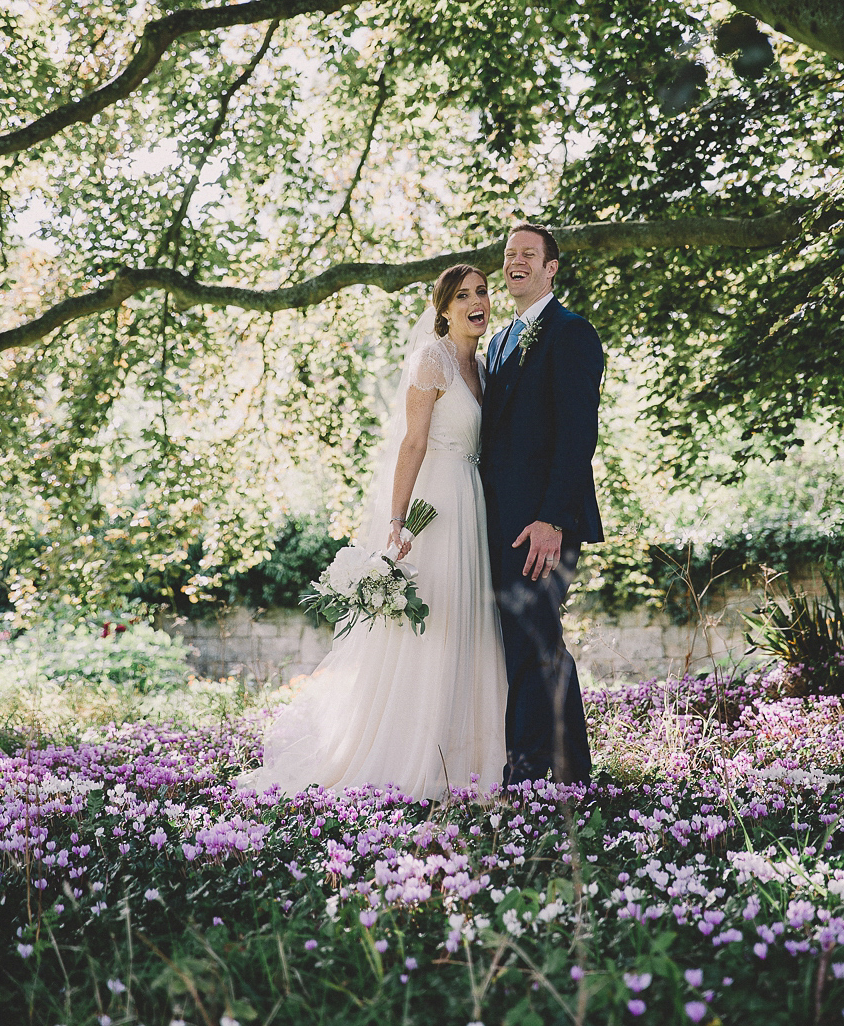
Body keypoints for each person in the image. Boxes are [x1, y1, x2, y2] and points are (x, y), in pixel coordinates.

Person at [239, 264, 506, 800]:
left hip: (473, 499)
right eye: (462, 296)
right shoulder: (431, 359)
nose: (476, 303)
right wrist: (397, 521)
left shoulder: (483, 361)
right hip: (436, 502)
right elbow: (412, 444)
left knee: (467, 622)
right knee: (431, 625)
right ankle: (410, 750)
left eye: (481, 293)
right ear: (443, 308)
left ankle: (465, 753)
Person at [480, 223, 604, 787]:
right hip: (502, 524)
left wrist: (553, 519)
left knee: (534, 641)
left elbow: (579, 436)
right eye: (509, 255)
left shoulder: (572, 333)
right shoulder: (500, 340)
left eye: (528, 254)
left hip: (544, 525)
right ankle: (568, 774)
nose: (515, 262)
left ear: (551, 267)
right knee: (530, 643)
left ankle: (531, 780)